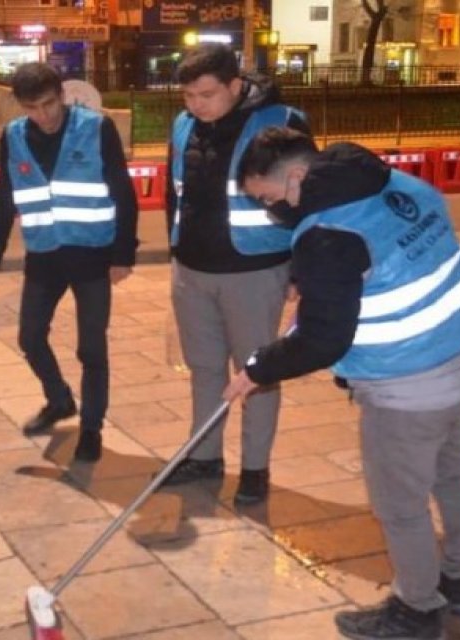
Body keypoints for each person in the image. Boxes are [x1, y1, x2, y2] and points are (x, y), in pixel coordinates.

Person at [226, 127, 460, 640]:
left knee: (400, 504)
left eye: (270, 197)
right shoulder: (397, 182)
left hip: (413, 387)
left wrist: (258, 368)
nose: (273, 210)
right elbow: (383, 267)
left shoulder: (327, 233)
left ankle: (417, 609)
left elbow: (323, 340)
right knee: (454, 475)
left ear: (297, 175)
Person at [158, 43, 310, 504]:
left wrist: (301, 270)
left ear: (235, 84)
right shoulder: (184, 125)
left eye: (206, 94)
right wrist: (175, 251)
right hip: (192, 270)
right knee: (204, 370)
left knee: (257, 375)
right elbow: (173, 193)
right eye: (188, 96)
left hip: (255, 270)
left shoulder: (281, 121)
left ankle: (255, 469)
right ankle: (204, 456)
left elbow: (309, 197)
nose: (196, 106)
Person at [0, 62, 139, 462]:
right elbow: (4, 196)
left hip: (92, 253)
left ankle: (91, 428)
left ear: (62, 96)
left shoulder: (95, 127)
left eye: (49, 104)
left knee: (91, 348)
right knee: (30, 337)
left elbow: (123, 191)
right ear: (20, 106)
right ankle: (59, 399)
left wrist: (123, 254)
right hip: (44, 254)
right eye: (33, 108)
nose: (44, 115)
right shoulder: (13, 136)